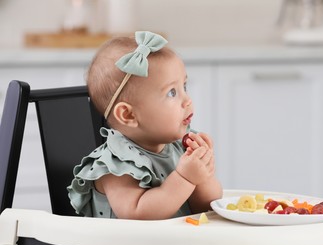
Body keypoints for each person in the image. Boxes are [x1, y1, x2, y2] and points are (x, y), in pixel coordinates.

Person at [67, 31, 223, 220]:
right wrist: (185, 178)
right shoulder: (115, 164)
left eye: (185, 86)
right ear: (128, 115)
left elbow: (206, 208)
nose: (187, 100)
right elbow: (138, 214)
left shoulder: (179, 148)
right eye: (172, 93)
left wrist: (202, 175)